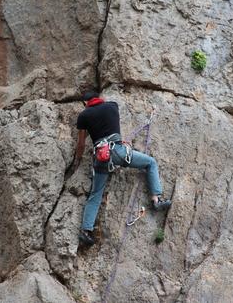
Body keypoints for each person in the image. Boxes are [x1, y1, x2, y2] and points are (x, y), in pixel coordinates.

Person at [72, 91, 172, 246]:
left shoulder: (84, 116)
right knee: (150, 162)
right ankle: (156, 199)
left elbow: (81, 144)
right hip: (119, 152)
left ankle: (86, 231)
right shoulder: (112, 106)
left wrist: (77, 160)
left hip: (101, 157)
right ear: (100, 98)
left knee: (96, 194)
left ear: (85, 102)